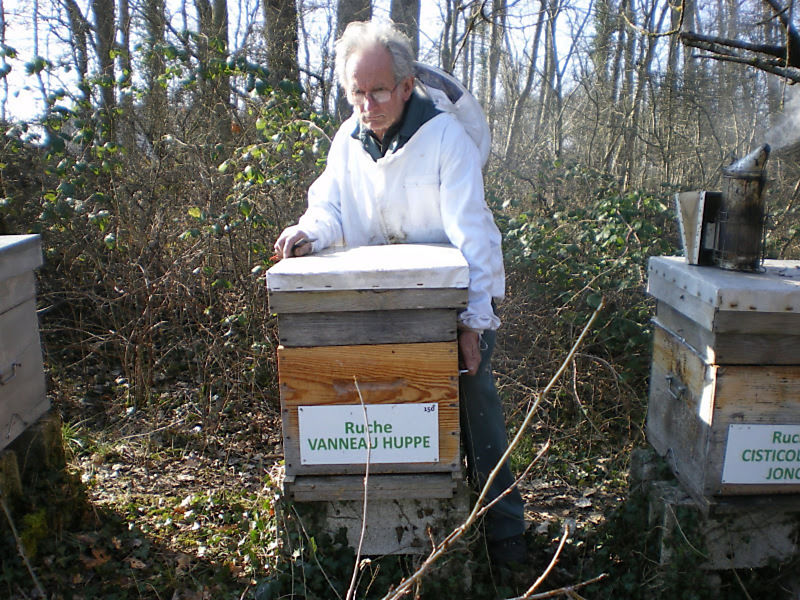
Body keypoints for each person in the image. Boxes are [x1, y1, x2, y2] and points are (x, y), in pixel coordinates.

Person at [273, 20, 526, 566]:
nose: (368, 105)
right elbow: (329, 206)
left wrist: (471, 323)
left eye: (380, 91)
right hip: (377, 307)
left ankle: (507, 538)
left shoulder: (446, 139)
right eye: (358, 93)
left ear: (407, 86)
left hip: (453, 307)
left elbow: (474, 238)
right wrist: (309, 232)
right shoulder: (347, 141)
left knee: (477, 409)